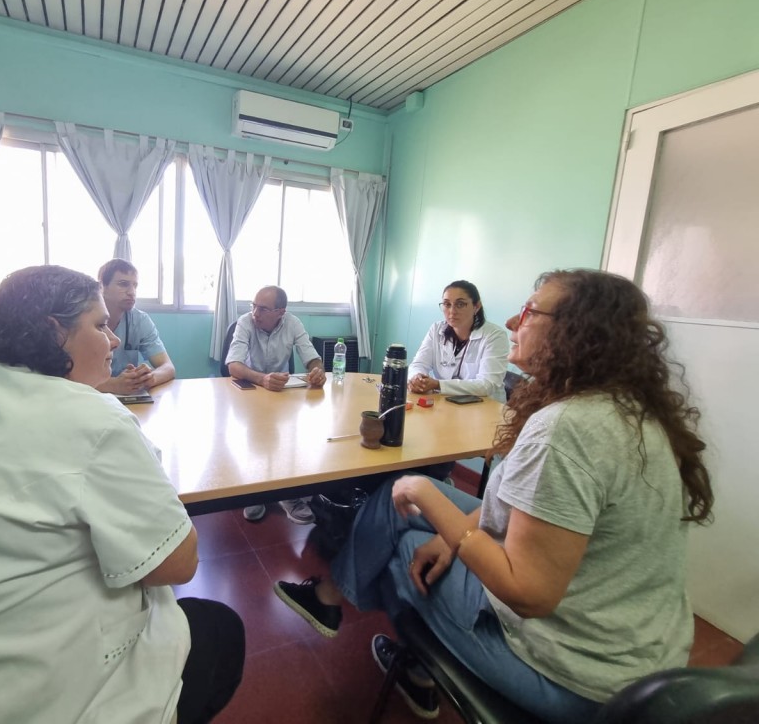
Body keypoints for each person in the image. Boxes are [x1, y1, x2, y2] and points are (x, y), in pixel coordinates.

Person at [274, 269, 712, 724]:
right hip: (645, 661)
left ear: (579, 333)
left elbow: (527, 592)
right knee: (391, 499)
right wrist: (453, 530)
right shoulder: (629, 410)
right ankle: (330, 597)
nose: (513, 319)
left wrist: (428, 494)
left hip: (574, 678)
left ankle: (419, 668)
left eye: (530, 311)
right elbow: (516, 509)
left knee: (400, 548)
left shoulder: (566, 431)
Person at [0, 265, 244, 724]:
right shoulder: (94, 418)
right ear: (54, 333)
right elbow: (177, 563)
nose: (112, 340)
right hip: (53, 696)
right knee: (219, 630)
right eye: (99, 325)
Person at [226, 285, 327, 524]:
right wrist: (262, 378)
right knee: (253, 441)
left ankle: (288, 495)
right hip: (249, 389)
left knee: (287, 440)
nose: (255, 313)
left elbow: (312, 357)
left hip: (281, 392)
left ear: (280, 312)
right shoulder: (245, 322)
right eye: (253, 306)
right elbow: (233, 365)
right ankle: (255, 491)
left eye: (262, 308)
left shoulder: (293, 323)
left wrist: (317, 372)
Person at [407, 279, 509, 481]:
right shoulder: (436, 330)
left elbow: (486, 385)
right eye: (446, 304)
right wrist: (416, 377)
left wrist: (437, 384)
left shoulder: (494, 336)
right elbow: (417, 363)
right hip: (448, 407)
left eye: (460, 304)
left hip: (484, 413)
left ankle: (436, 482)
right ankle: (431, 480)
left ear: (476, 306)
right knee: (416, 431)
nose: (452, 310)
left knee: (437, 437)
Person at [95, 258, 176, 395]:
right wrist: (113, 385)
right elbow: (67, 379)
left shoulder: (139, 320)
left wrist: (148, 378)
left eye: (135, 285)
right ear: (102, 286)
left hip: (126, 399)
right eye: (123, 284)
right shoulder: (83, 319)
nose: (132, 292)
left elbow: (168, 367)